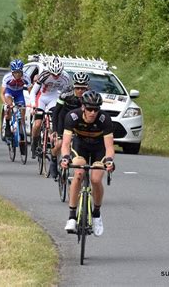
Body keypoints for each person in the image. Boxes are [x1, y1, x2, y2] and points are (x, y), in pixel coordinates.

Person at [60, 90, 115, 236]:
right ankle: (72, 216)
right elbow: (65, 144)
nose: (92, 112)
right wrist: (65, 157)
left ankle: (96, 214)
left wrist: (109, 161)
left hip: (99, 149)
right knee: (78, 173)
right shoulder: (72, 116)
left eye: (96, 109)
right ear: (83, 107)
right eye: (89, 109)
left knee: (96, 179)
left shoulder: (105, 119)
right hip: (80, 147)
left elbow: (109, 147)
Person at [49, 71, 91, 178]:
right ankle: (53, 161)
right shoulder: (66, 94)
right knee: (59, 144)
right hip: (63, 120)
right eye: (77, 88)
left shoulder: (89, 96)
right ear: (73, 86)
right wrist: (54, 130)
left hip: (78, 122)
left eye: (83, 88)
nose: (80, 91)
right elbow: (56, 112)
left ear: (87, 87)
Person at [29, 56, 70, 159]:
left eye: (58, 74)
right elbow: (33, 92)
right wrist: (33, 105)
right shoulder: (44, 75)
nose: (56, 76)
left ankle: (52, 143)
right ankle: (34, 142)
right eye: (53, 74)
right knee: (37, 124)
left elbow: (66, 93)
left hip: (53, 97)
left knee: (54, 121)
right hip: (42, 97)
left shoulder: (65, 77)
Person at [0, 59, 31, 145]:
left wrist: (32, 103)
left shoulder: (26, 77)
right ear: (12, 72)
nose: (17, 74)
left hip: (19, 93)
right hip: (9, 92)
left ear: (22, 71)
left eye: (19, 72)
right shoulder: (7, 77)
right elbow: (2, 93)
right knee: (9, 107)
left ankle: (21, 132)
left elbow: (31, 92)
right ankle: (7, 129)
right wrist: (6, 104)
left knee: (22, 113)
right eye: (15, 72)